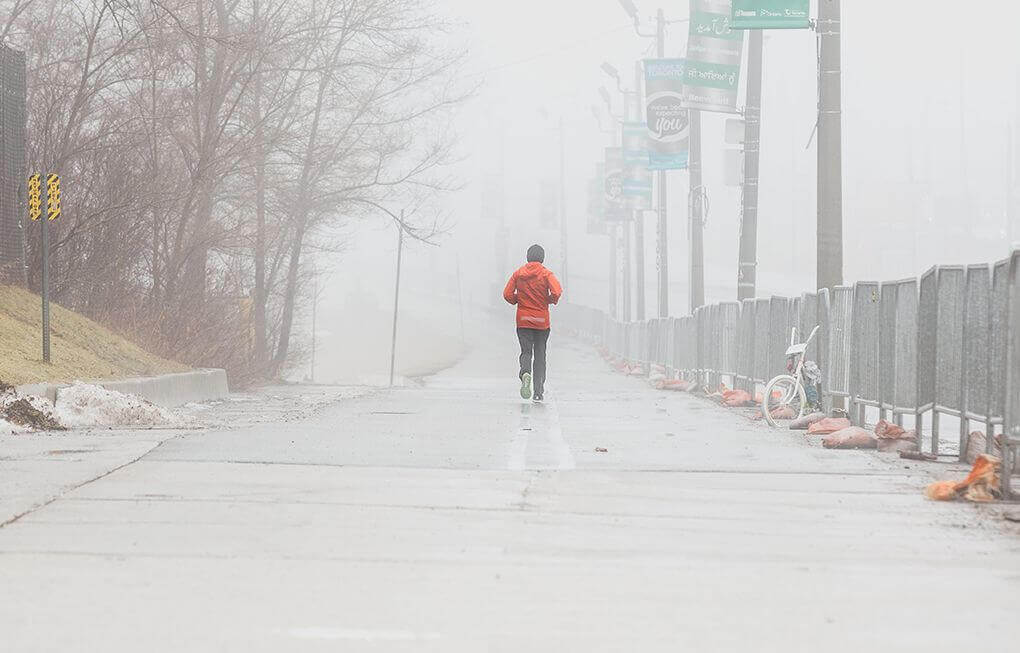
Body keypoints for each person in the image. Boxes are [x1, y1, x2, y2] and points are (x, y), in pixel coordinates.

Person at [503, 244, 562, 402]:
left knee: (526, 352)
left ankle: (525, 373)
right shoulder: (546, 274)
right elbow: (557, 291)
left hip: (523, 320)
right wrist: (549, 300)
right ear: (542, 258)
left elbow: (507, 294)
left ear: (527, 257)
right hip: (542, 322)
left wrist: (518, 300)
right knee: (540, 355)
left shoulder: (518, 274)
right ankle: (538, 391)